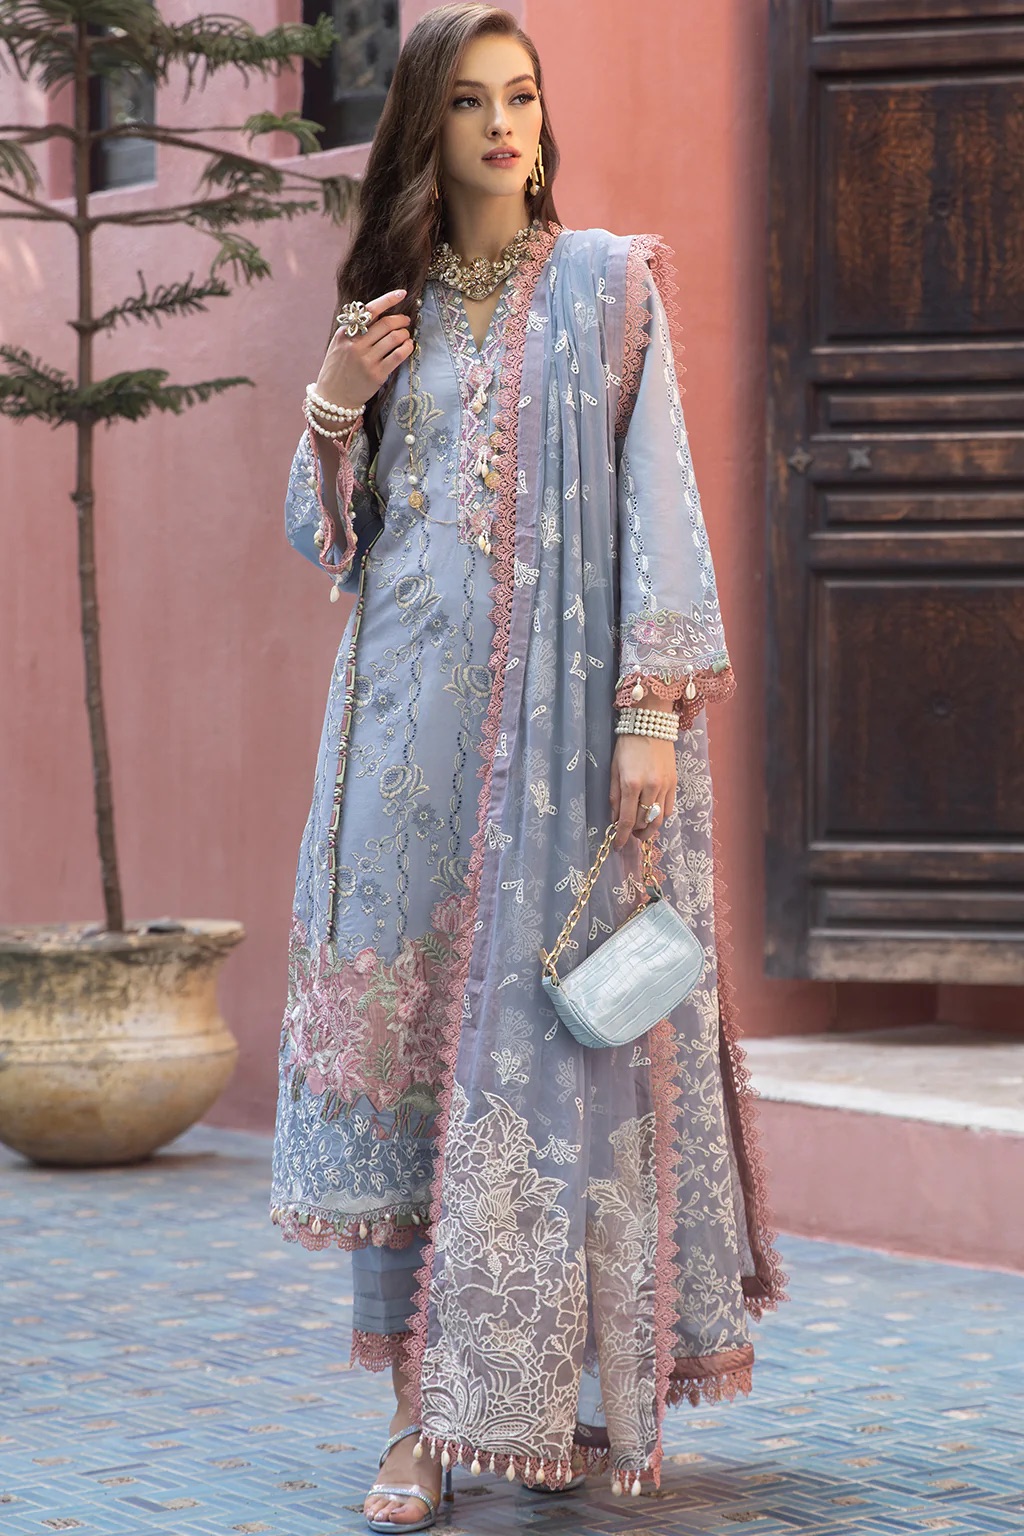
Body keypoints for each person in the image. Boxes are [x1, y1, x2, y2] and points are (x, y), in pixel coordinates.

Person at [270, 5, 787, 1531]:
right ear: (425, 128)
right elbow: (327, 540)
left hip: (556, 753)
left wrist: (648, 715)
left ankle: (539, 1394)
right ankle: (418, 1424)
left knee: (556, 1054)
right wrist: (334, 402)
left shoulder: (607, 290)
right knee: (416, 1069)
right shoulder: (389, 312)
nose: (506, 125)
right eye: (473, 102)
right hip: (398, 753)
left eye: (524, 97)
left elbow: (661, 503)